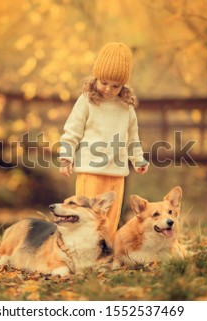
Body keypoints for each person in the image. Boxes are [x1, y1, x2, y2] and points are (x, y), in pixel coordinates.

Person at [58, 42, 149, 241]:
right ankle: (83, 253)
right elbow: (71, 132)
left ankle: (106, 256)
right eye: (104, 82)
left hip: (116, 173)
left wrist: (138, 159)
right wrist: (66, 158)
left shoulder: (126, 108)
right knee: (87, 217)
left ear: (123, 85)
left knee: (111, 219)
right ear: (95, 77)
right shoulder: (86, 101)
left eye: (116, 86)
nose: (108, 89)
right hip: (90, 171)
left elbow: (133, 138)